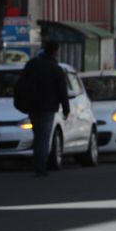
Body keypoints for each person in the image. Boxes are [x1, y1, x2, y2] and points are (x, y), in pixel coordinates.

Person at [17, 41, 70, 177]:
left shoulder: (32, 65)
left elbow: (21, 83)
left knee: (37, 135)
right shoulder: (55, 68)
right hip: (48, 107)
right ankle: (41, 166)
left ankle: (37, 164)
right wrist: (66, 108)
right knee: (44, 136)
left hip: (33, 106)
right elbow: (62, 90)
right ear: (55, 51)